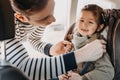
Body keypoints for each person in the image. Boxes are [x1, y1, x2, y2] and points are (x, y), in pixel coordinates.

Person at [8, 0, 106, 80]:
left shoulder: (37, 17)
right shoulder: (5, 28)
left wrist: (50, 49)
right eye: (45, 17)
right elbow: (24, 68)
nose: (53, 20)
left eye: (52, 12)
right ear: (21, 17)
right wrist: (81, 55)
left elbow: (34, 38)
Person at [58, 4, 114, 80]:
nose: (84, 24)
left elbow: (107, 72)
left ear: (99, 27)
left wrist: (83, 78)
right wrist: (62, 73)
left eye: (90, 22)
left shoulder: (97, 46)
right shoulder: (71, 41)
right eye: (81, 20)